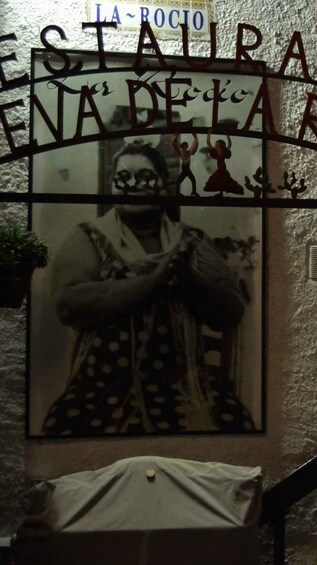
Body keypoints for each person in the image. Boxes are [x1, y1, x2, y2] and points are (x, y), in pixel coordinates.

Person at [42, 139, 255, 436]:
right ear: (113, 187)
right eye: (123, 177)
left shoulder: (191, 241)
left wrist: (189, 282)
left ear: (164, 188)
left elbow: (231, 310)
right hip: (102, 392)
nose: (132, 185)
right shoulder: (88, 238)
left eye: (144, 177)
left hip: (183, 389)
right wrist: (153, 281)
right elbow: (68, 305)